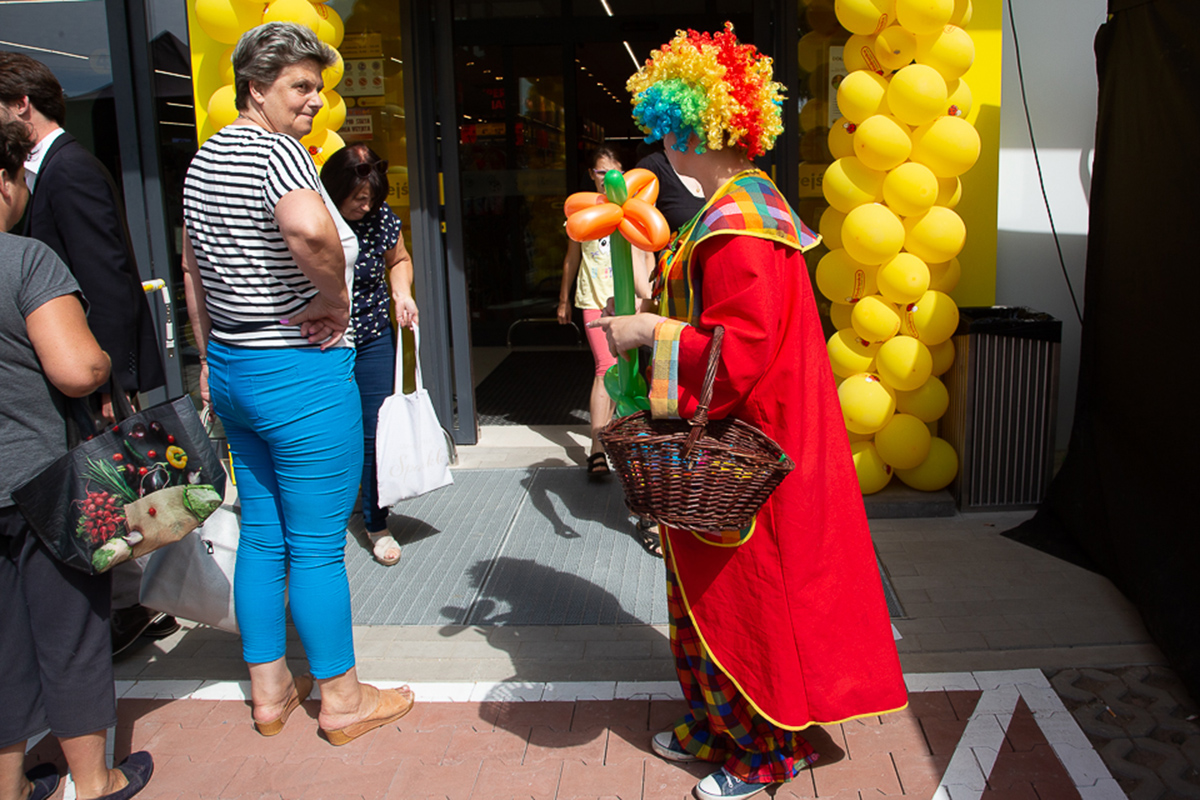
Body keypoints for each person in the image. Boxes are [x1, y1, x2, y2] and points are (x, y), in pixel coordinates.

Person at [589, 25, 908, 800]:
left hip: (747, 452)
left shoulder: (738, 227)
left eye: (667, 128)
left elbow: (736, 354)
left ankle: (765, 751)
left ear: (690, 129)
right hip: (747, 443)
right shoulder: (740, 207)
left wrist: (646, 331)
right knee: (711, 596)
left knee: (746, 602)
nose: (663, 144)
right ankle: (714, 724)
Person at [181, 22, 413, 744]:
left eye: (319, 86)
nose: (314, 99)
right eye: (301, 86)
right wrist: (337, 299)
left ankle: (270, 690)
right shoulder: (275, 152)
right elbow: (311, 231)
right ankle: (341, 699)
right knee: (315, 546)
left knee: (262, 533)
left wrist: (208, 357)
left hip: (235, 364)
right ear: (256, 88)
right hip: (298, 371)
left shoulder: (204, 159)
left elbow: (192, 270)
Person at [0, 52, 177, 657]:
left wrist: (109, 380)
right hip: (77, 369)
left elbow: (106, 279)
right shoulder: (50, 170)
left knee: (109, 490)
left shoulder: (68, 169)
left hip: (89, 373)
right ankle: (136, 603)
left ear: (21, 104)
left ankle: (134, 605)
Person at [0, 118, 154, 800]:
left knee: (1, 644)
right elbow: (77, 368)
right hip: (41, 483)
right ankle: (93, 780)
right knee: (71, 629)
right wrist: (101, 362)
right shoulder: (25, 260)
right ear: (4, 180)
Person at [319, 143, 418, 567]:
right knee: (327, 430)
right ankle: (324, 518)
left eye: (372, 198)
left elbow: (399, 259)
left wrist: (402, 294)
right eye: (358, 198)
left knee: (375, 429)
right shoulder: (312, 218)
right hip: (322, 340)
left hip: (373, 333)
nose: (365, 206)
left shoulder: (380, 218)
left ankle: (376, 521)